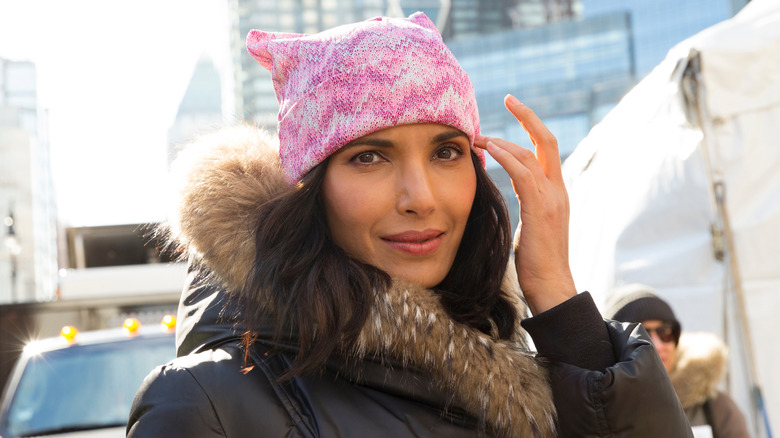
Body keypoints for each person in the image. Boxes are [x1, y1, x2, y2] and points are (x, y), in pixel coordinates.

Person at [127, 12, 692, 437]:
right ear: (310, 189)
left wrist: (557, 297)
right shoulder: (203, 403)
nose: (420, 197)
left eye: (446, 152)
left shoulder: (522, 373)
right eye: (369, 157)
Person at [605, 284, 750, 438]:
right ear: (614, 346)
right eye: (641, 336)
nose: (658, 345)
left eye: (666, 333)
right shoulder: (599, 413)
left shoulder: (715, 406)